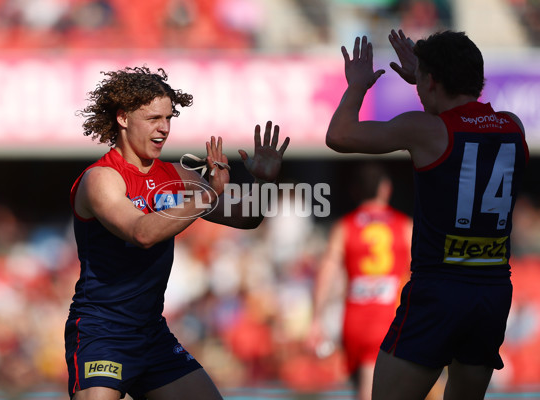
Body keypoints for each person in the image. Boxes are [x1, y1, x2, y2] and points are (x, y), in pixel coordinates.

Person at [64, 66, 289, 400]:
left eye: (169, 118)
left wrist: (264, 182)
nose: (164, 128)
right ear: (123, 118)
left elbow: (246, 218)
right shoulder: (101, 178)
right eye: (153, 118)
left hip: (151, 333)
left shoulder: (177, 175)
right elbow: (142, 233)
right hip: (102, 332)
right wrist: (207, 194)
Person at [325, 29, 528, 400]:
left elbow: (339, 135)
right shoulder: (513, 125)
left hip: (439, 290)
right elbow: (458, 131)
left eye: (421, 81)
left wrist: (357, 85)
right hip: (493, 290)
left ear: (432, 81)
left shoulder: (424, 129)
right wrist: (428, 81)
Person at [308, 162, 412, 400]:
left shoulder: (344, 227)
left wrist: (316, 318)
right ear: (386, 189)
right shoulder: (404, 226)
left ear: (355, 191)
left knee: (363, 386)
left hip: (354, 319)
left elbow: (327, 271)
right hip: (389, 318)